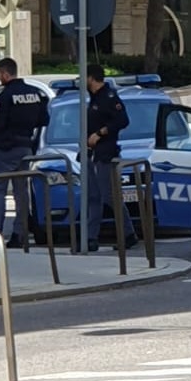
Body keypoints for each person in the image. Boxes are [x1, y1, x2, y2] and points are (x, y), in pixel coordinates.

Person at [0, 58, 50, 250]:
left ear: (5, 74)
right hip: (25, 146)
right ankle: (19, 234)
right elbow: (43, 119)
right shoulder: (34, 93)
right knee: (21, 193)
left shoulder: (6, 95)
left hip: (6, 148)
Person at [85, 64, 139, 252]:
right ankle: (91, 238)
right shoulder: (94, 98)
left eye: (84, 78)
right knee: (94, 197)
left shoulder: (109, 97)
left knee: (109, 196)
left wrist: (100, 133)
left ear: (91, 78)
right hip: (92, 154)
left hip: (106, 154)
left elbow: (122, 120)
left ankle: (128, 234)